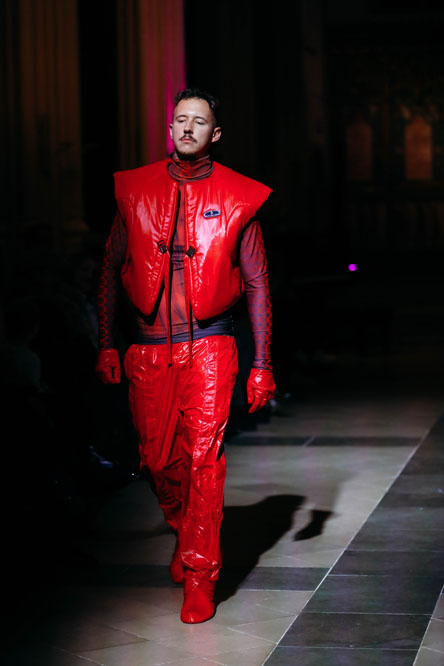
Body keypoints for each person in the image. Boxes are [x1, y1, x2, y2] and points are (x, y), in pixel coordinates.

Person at [95, 88, 276, 623]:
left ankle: (201, 575)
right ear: (170, 127)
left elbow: (258, 283)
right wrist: (106, 342)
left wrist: (262, 363)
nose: (188, 128)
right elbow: (110, 268)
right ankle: (182, 526)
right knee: (157, 460)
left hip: (212, 344)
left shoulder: (240, 196)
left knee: (204, 459)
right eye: (180, 119)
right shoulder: (134, 190)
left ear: (214, 133)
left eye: (199, 121)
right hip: (147, 347)